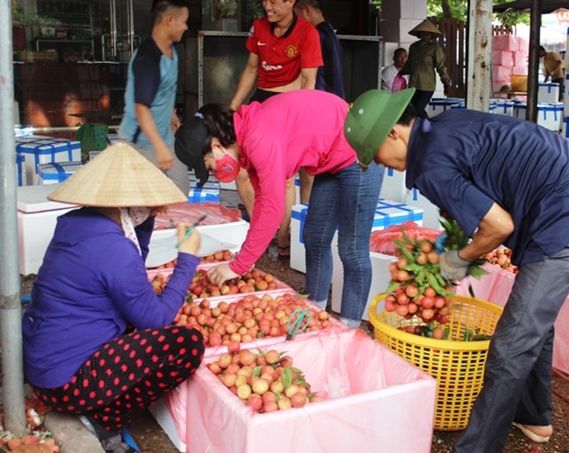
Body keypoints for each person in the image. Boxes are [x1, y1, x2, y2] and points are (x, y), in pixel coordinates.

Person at [344, 89, 569, 452]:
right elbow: (482, 185)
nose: (379, 165)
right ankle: (534, 416)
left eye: (375, 155)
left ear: (393, 133)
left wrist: (459, 258)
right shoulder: (441, 128)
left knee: (510, 346)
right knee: (532, 321)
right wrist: (455, 238)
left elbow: (499, 226)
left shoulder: (431, 164)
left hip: (567, 219)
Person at [23, 143, 204, 453]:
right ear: (129, 203)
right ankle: (104, 418)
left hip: (43, 361)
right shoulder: (113, 248)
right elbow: (156, 319)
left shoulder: (77, 224)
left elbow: (130, 261)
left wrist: (144, 221)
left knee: (137, 318)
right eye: (145, 204)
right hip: (66, 382)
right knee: (186, 343)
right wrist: (187, 258)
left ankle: (97, 411)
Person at [174, 90, 383, 327]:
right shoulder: (246, 144)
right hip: (330, 160)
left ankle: (349, 328)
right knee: (315, 237)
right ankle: (314, 313)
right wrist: (246, 256)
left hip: (358, 152)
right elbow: (263, 202)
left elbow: (273, 208)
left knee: (352, 249)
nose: (213, 171)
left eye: (208, 166)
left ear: (216, 145)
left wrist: (239, 265)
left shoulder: (258, 137)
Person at [229, 0, 323, 257]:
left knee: (283, 177)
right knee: (242, 172)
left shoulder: (308, 33)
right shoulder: (259, 26)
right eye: (264, 1)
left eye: (273, 1)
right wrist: (233, 108)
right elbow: (251, 68)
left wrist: (301, 121)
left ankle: (283, 238)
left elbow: (309, 80)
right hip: (261, 99)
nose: (266, 6)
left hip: (290, 104)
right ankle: (261, 229)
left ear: (290, 2)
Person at [118, 0, 190, 194]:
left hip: (164, 135)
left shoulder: (171, 51)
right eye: (183, 21)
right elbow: (141, 108)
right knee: (147, 203)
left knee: (180, 191)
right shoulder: (148, 59)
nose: (186, 26)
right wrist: (159, 146)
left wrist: (171, 114)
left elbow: (163, 91)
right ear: (169, 20)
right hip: (141, 143)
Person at [399, 19, 451, 118]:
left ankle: (428, 127)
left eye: (428, 34)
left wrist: (446, 83)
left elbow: (441, 66)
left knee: (418, 109)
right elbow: (409, 64)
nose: (425, 35)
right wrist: (401, 72)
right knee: (411, 109)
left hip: (427, 85)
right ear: (419, 34)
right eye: (423, 33)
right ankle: (418, 129)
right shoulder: (414, 47)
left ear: (432, 35)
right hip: (414, 84)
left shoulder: (435, 48)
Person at [294, 0, 345, 98]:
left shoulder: (315, 36)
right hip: (334, 97)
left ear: (307, 11)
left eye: (296, 16)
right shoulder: (329, 32)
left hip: (320, 98)